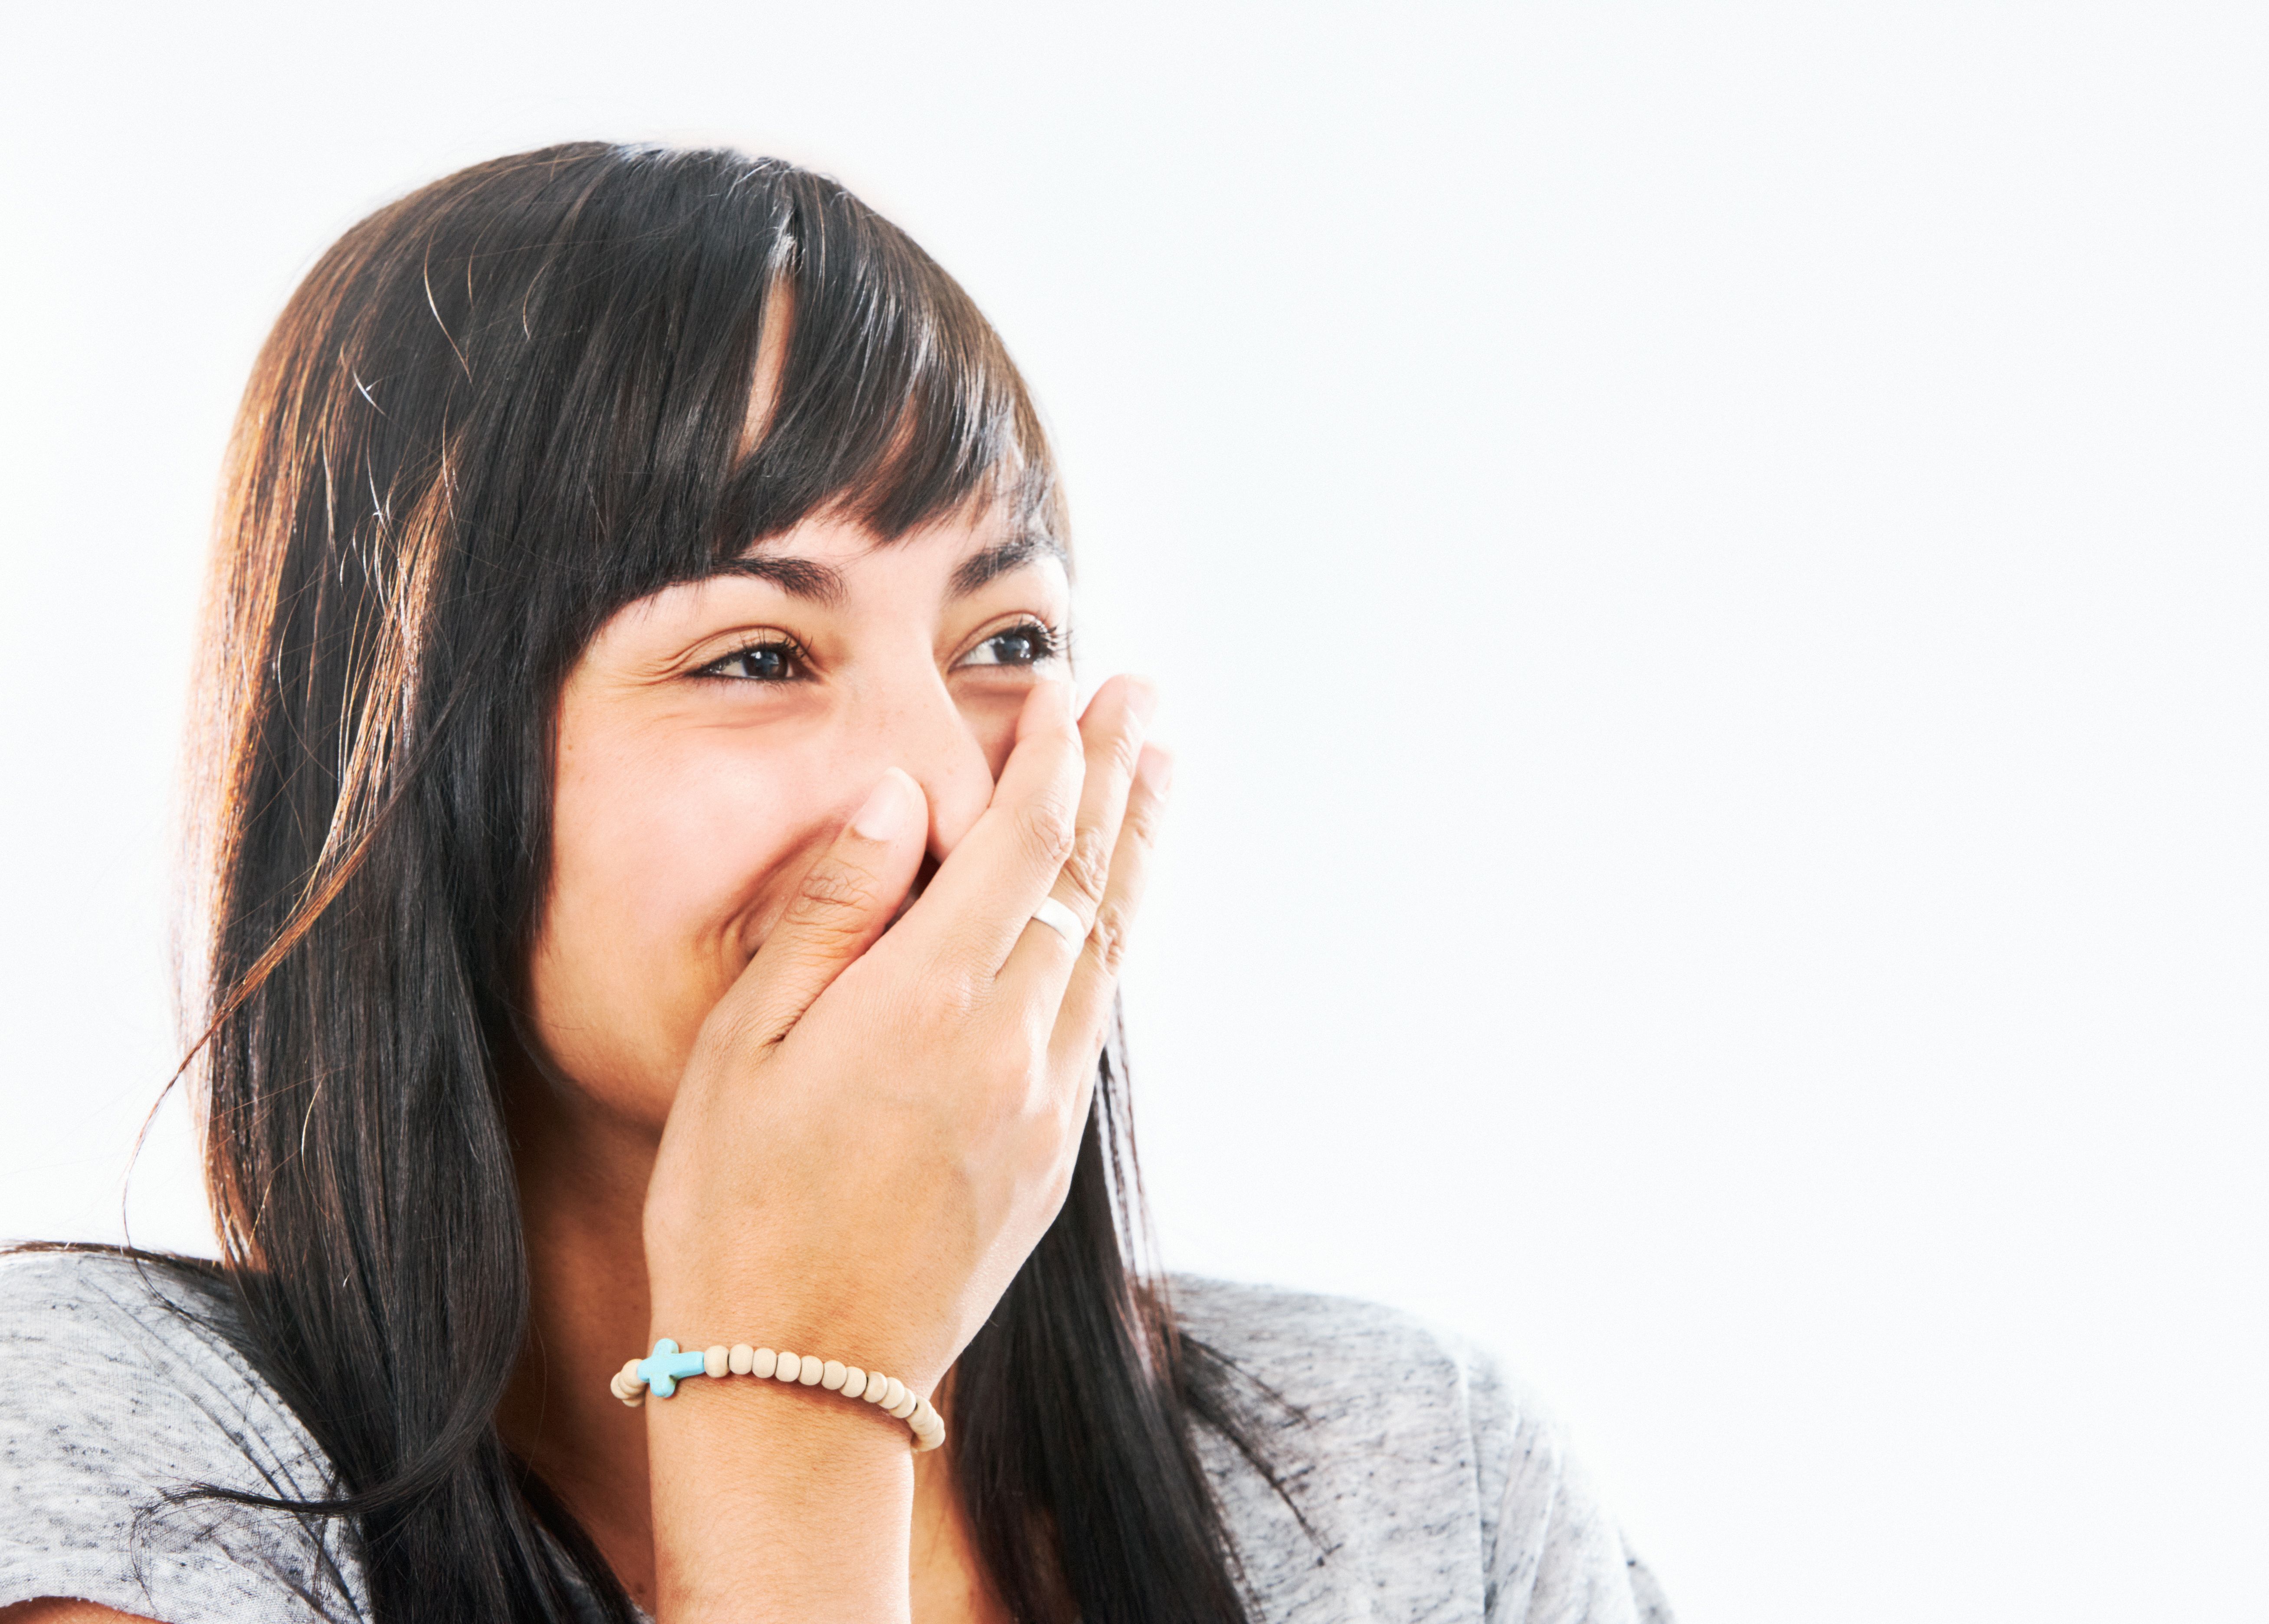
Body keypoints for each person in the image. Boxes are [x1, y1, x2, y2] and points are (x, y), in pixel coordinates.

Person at [0, 142, 1668, 1624]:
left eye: (1007, 641)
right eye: (753, 654)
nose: (945, 786)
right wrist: (800, 1394)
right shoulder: (118, 1461)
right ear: (415, 766)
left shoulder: (1415, 1484)